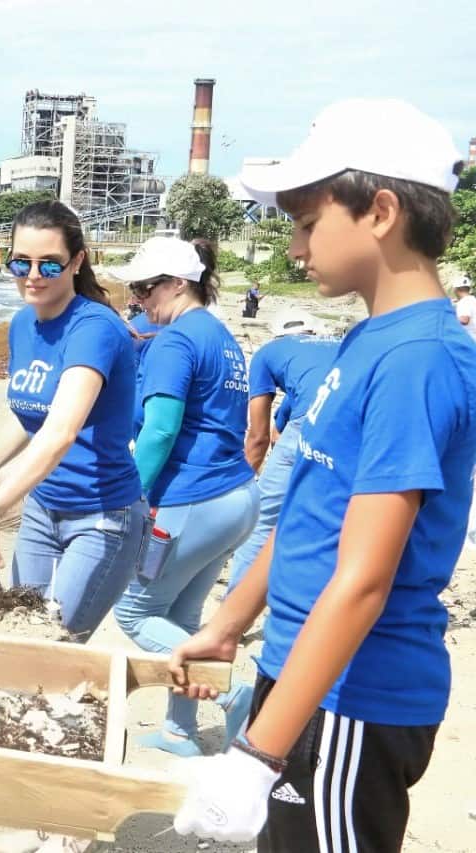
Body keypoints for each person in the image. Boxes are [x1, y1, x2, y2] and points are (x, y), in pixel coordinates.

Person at [169, 99, 475, 850]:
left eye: (307, 224)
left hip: (354, 698)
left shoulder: (418, 361)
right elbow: (308, 508)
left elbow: (365, 578)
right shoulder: (370, 338)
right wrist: (227, 624)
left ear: (380, 211)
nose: (297, 247)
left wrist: (255, 753)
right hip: (304, 672)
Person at [0, 201, 146, 640]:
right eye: (22, 262)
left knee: (53, 645)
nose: (33, 275)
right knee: (20, 635)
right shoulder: (23, 324)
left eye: (49, 265)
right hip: (42, 510)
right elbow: (34, 416)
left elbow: (61, 432)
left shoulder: (94, 328)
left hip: (102, 515)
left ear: (77, 261)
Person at [110, 236, 260, 757]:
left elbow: (159, 430)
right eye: (133, 290)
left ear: (177, 284)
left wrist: (127, 496)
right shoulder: (217, 335)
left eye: (145, 288)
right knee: (181, 619)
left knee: (132, 613)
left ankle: (236, 693)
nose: (138, 300)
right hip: (236, 498)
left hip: (191, 500)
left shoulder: (175, 341)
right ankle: (180, 731)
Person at [225, 309, 339, 590]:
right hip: (363, 420)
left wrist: (244, 483)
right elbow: (291, 415)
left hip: (312, 425)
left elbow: (260, 436)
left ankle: (235, 607)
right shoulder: (337, 344)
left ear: (277, 335)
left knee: (262, 520)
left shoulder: (268, 352)